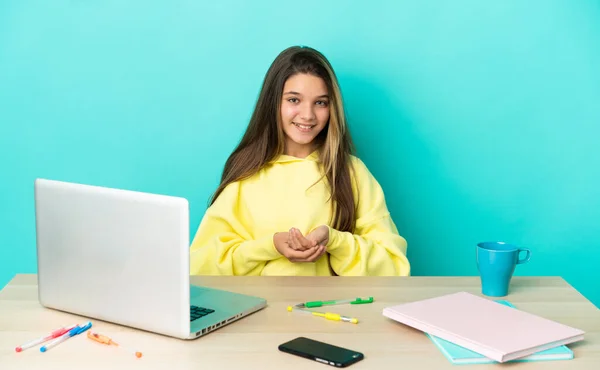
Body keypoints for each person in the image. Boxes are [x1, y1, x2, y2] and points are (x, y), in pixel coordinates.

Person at [189, 45, 410, 276]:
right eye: (294, 100)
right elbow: (200, 266)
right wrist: (271, 246)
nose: (307, 115)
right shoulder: (246, 174)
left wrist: (334, 241)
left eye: (321, 102)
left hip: (328, 310)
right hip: (262, 310)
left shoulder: (351, 172)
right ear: (273, 103)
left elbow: (393, 267)